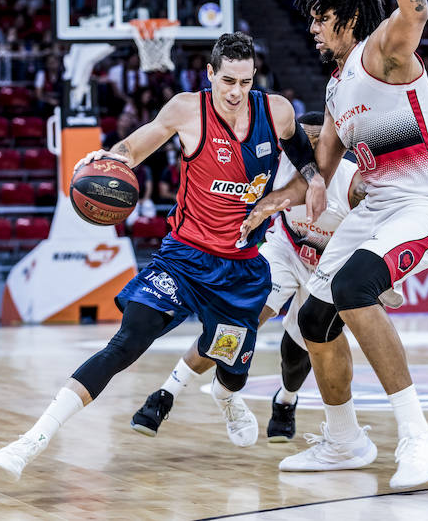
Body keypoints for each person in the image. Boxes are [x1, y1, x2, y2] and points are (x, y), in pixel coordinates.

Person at [0, 32, 327, 481]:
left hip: (241, 274)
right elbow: (136, 147)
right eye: (227, 80)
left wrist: (299, 185)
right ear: (210, 74)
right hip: (183, 260)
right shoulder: (188, 110)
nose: (235, 91)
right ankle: (33, 439)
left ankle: (225, 397)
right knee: (127, 342)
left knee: (231, 369)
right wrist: (109, 157)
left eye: (245, 82)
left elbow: (302, 153)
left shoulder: (277, 111)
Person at [250, 0, 428, 490]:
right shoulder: (335, 90)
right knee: (315, 317)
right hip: (376, 210)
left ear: (346, 18)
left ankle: (420, 436)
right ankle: (344, 442)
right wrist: (265, 205)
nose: (313, 29)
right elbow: (317, 171)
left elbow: (417, 9)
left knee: (350, 288)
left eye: (320, 18)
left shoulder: (382, 52)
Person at [132, 112, 366, 443]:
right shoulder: (280, 167)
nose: (310, 154)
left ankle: (286, 399)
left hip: (330, 263)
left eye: (318, 145)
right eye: (305, 146)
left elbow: (376, 232)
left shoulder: (353, 182)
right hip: (285, 249)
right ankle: (166, 393)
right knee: (240, 319)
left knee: (298, 350)